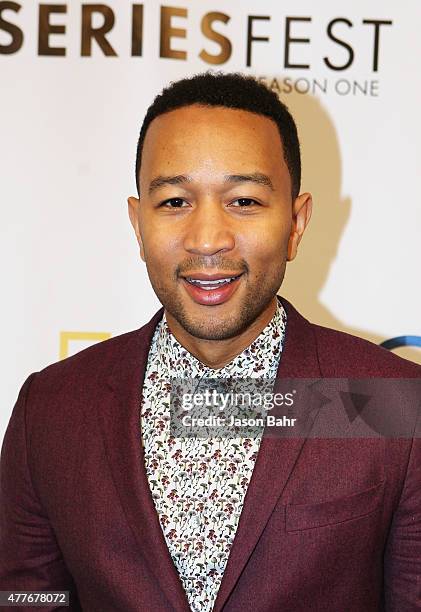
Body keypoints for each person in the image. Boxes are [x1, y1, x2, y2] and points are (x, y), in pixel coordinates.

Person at [1, 72, 420, 612]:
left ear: (295, 223)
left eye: (244, 201)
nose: (207, 239)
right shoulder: (53, 410)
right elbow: (27, 600)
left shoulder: (392, 404)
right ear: (137, 224)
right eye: (174, 201)